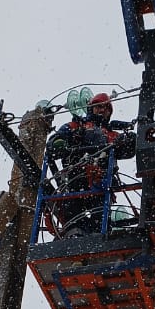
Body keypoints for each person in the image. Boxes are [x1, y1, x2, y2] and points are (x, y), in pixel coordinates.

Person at [47, 93, 135, 234]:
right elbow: (54, 142)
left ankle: (96, 234)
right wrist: (58, 143)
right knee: (73, 216)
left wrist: (131, 139)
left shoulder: (111, 134)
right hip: (75, 179)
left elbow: (128, 150)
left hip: (101, 182)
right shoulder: (76, 126)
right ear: (91, 108)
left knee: (99, 219)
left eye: (106, 108)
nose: (102, 110)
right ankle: (75, 234)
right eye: (99, 106)